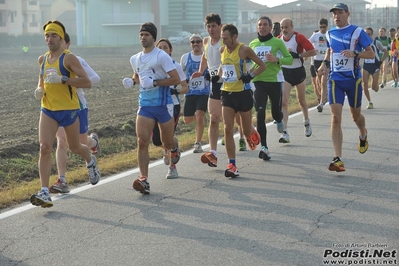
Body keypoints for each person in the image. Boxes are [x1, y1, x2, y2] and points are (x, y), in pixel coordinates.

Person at [31, 20, 100, 208]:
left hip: (69, 110)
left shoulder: (69, 59)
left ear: (61, 38)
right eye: (47, 35)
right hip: (48, 109)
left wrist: (64, 79)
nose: (50, 39)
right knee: (44, 147)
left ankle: (90, 160)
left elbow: (86, 81)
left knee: (75, 146)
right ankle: (44, 191)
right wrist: (39, 89)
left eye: (54, 35)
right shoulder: (42, 59)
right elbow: (41, 80)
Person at [122, 22, 181, 194]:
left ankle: (175, 147)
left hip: (163, 105)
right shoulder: (135, 58)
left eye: (146, 35)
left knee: (166, 142)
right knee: (142, 141)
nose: (143, 37)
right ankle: (144, 179)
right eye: (141, 35)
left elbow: (175, 78)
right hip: (145, 105)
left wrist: (155, 82)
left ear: (153, 37)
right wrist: (132, 81)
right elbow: (138, 75)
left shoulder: (161, 56)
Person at [318, 3, 373, 172]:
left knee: (356, 117)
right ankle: (338, 159)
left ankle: (363, 133)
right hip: (335, 80)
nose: (337, 16)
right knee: (335, 118)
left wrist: (355, 53)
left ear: (347, 14)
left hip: (353, 81)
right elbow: (330, 51)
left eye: (340, 13)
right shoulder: (330, 33)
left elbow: (370, 53)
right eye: (334, 13)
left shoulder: (357, 32)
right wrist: (324, 64)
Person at [50, 32, 102, 194]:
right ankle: (62, 180)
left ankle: (92, 143)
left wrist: (74, 83)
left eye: (61, 41)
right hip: (58, 107)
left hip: (78, 106)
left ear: (67, 44)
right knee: (61, 141)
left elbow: (95, 78)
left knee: (79, 143)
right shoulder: (50, 61)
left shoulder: (76, 60)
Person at [213, 23, 265, 177]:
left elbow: (262, 65)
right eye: (222, 38)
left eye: (227, 38)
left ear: (235, 37)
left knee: (246, 130)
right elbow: (223, 68)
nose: (224, 41)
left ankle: (251, 130)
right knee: (228, 129)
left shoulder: (244, 49)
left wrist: (250, 75)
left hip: (243, 93)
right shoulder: (222, 50)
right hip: (227, 93)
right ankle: (232, 164)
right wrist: (217, 77)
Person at [249, 16, 293, 160]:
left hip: (274, 82)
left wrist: (277, 60)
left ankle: (280, 121)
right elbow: (247, 61)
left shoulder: (277, 42)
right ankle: (264, 147)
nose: (262, 27)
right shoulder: (252, 44)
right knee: (260, 112)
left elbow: (289, 59)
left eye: (265, 25)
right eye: (259, 25)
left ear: (270, 27)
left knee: (275, 112)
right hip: (258, 82)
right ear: (257, 27)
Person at [152, 38, 188, 179]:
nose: (162, 50)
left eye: (165, 47)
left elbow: (185, 87)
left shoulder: (176, 66)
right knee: (156, 140)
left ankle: (172, 167)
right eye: (159, 47)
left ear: (170, 50)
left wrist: (176, 91)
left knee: (167, 136)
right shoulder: (153, 66)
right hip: (155, 104)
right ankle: (173, 146)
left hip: (172, 105)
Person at [191, 13, 223, 167]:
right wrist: (200, 70)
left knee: (235, 119)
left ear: (220, 26)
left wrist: (221, 73)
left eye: (213, 26)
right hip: (214, 84)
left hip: (230, 84)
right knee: (214, 118)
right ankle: (213, 153)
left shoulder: (225, 41)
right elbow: (205, 56)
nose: (210, 29)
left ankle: (250, 131)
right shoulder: (206, 41)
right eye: (208, 26)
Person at [279, 18, 316, 143]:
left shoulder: (299, 37)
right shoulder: (278, 39)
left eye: (287, 27)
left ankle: (306, 122)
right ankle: (285, 133)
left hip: (298, 71)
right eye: (282, 27)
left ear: (292, 27)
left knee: (301, 100)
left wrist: (299, 55)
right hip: (285, 73)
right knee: (284, 102)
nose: (284, 30)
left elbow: (313, 51)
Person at [180, 33, 210, 154]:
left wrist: (209, 76)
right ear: (190, 44)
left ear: (202, 43)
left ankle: (197, 143)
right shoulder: (185, 57)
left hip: (204, 91)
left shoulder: (206, 56)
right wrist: (184, 81)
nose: (196, 44)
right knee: (187, 120)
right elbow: (179, 73)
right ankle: (201, 122)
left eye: (198, 41)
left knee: (199, 115)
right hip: (190, 92)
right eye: (193, 42)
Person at [362, 27, 388, 109]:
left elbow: (386, 52)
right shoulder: (362, 43)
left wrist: (381, 61)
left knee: (374, 88)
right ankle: (370, 102)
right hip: (366, 65)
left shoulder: (376, 42)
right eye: (365, 34)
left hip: (375, 66)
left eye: (368, 34)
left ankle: (376, 86)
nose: (367, 35)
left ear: (372, 34)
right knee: (365, 84)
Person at [308, 19, 329, 112]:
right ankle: (324, 96)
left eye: (324, 27)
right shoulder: (315, 36)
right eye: (320, 27)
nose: (322, 29)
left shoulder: (329, 35)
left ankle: (322, 102)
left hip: (327, 60)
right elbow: (307, 43)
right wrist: (312, 50)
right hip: (317, 61)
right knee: (320, 82)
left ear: (327, 27)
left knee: (324, 80)